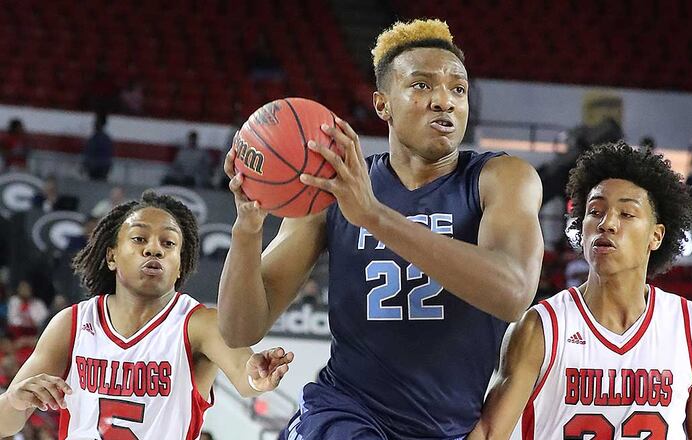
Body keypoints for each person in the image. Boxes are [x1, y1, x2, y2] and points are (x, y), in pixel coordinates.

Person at [217, 19, 544, 440]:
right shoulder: (334, 188)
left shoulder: (502, 178)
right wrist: (246, 230)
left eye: (457, 89)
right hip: (344, 413)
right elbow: (240, 328)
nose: (444, 101)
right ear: (382, 103)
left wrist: (374, 216)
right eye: (422, 85)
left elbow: (513, 293)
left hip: (445, 428)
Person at [469, 142, 692, 439]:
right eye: (595, 211)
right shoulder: (542, 327)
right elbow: (488, 434)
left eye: (626, 214)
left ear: (656, 235)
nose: (607, 223)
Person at [0, 191, 294, 438]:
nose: (154, 249)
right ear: (112, 256)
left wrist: (258, 376)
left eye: (168, 244)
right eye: (140, 239)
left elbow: (245, 374)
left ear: (180, 265)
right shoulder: (73, 323)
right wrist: (15, 400)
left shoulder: (198, 324)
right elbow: (6, 422)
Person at [82, 112, 114, 181]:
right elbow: (88, 153)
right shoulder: (93, 138)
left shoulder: (105, 140)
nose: (95, 124)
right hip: (92, 171)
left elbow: (107, 159)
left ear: (102, 124)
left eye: (97, 122)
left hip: (100, 171)